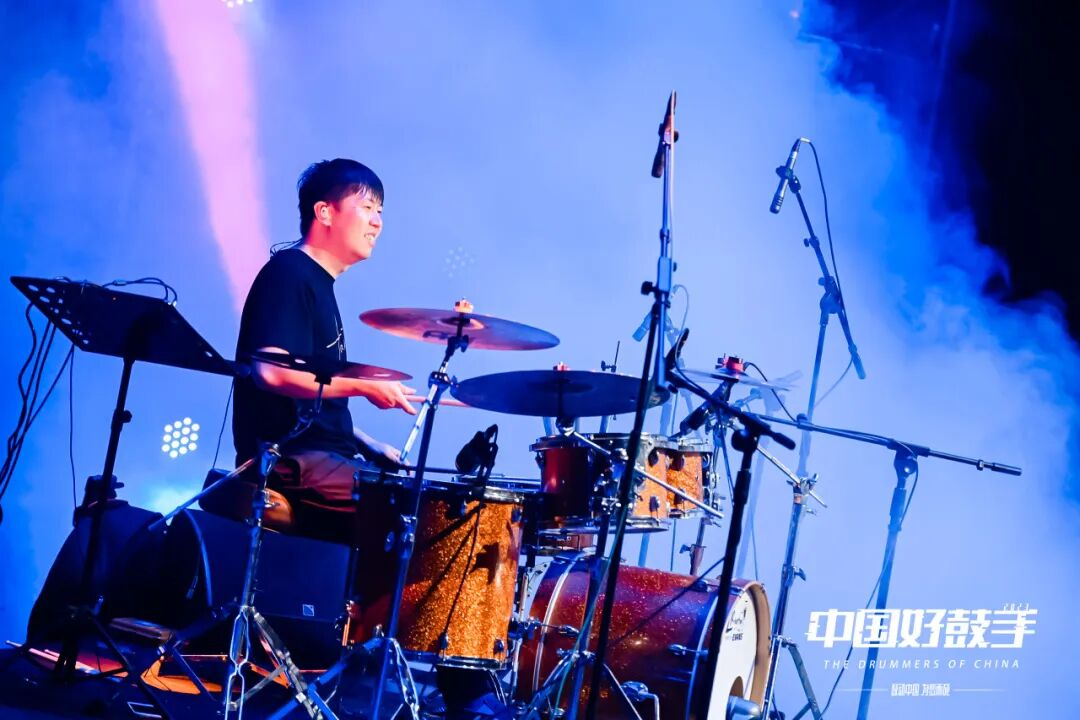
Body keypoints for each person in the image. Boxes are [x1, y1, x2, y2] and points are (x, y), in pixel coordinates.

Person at [232, 158, 416, 505]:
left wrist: (366, 443)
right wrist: (364, 386)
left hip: (323, 457)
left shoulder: (318, 283)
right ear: (325, 212)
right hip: (288, 462)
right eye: (367, 208)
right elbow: (271, 373)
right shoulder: (289, 274)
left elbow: (307, 406)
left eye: (380, 212)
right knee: (412, 505)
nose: (377, 222)